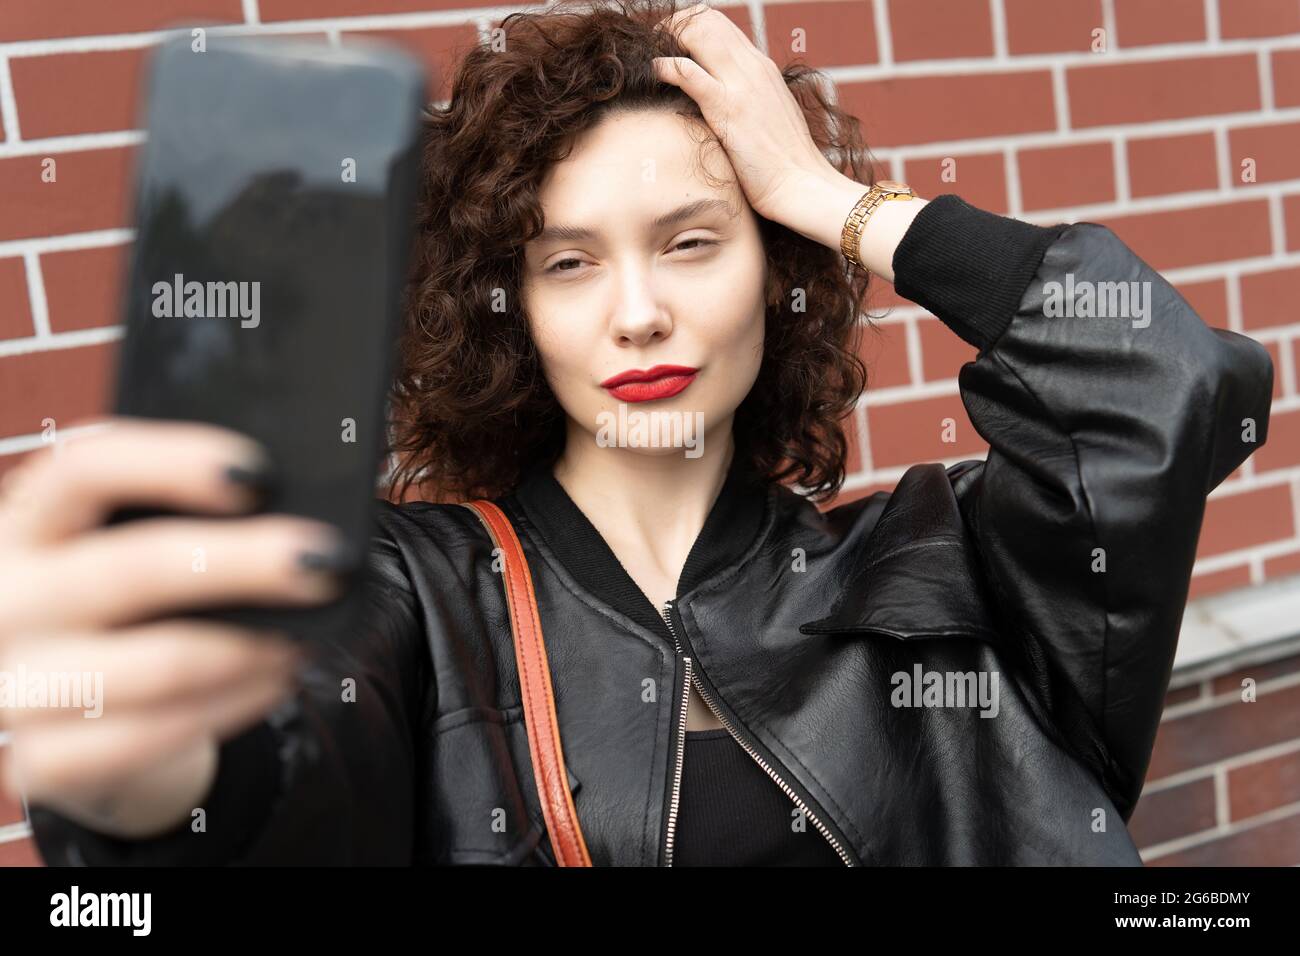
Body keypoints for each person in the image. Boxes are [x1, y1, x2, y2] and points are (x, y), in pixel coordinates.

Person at [2, 0, 1273, 865]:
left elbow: (1160, 382)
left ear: (770, 271)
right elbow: (252, 790)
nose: (637, 311)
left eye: (691, 240)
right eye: (567, 262)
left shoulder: (942, 572)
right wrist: (137, 778)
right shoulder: (413, 595)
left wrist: (830, 198)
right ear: (512, 311)